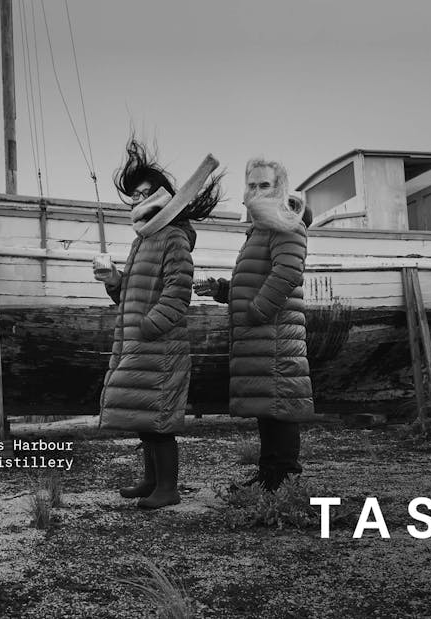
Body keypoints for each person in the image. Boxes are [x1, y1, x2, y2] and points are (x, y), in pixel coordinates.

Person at [94, 139, 222, 509]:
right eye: (133, 196)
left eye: (144, 194)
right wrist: (112, 279)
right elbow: (128, 298)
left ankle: (168, 488)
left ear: (165, 195)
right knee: (143, 416)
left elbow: (177, 295)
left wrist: (147, 328)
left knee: (159, 420)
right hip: (137, 344)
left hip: (159, 346)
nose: (137, 201)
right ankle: (151, 480)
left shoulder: (174, 239)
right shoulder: (141, 242)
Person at [194, 157, 315, 492]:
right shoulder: (261, 229)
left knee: (280, 405)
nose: (258, 191)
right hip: (262, 333)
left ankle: (283, 478)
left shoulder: (285, 224)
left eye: (265, 185)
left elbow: (288, 273)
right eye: (252, 185)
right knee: (269, 406)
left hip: (273, 332)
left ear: (279, 189)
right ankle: (269, 475)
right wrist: (221, 289)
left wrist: (257, 313)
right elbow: (257, 280)